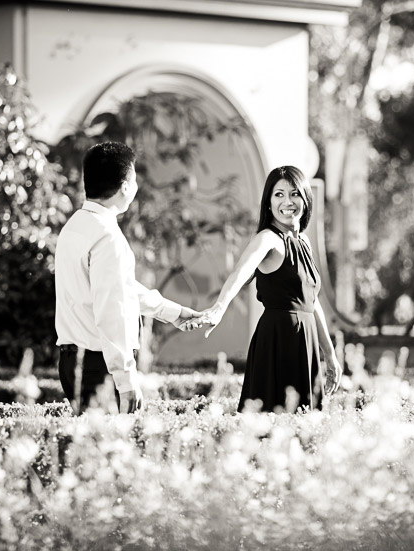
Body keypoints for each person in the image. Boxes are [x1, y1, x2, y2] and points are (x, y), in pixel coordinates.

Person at [54, 142, 202, 414]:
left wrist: (172, 312)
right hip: (99, 366)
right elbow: (113, 310)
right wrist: (126, 379)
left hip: (71, 360)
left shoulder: (74, 226)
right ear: (125, 187)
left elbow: (119, 289)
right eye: (134, 180)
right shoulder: (107, 236)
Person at [186, 166, 342, 412]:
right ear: (268, 202)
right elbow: (240, 273)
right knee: (272, 421)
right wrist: (219, 307)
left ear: (305, 199)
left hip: (306, 340)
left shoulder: (305, 242)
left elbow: (311, 301)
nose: (287, 201)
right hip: (278, 340)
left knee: (305, 428)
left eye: (294, 194)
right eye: (279, 194)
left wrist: (329, 353)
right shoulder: (268, 239)